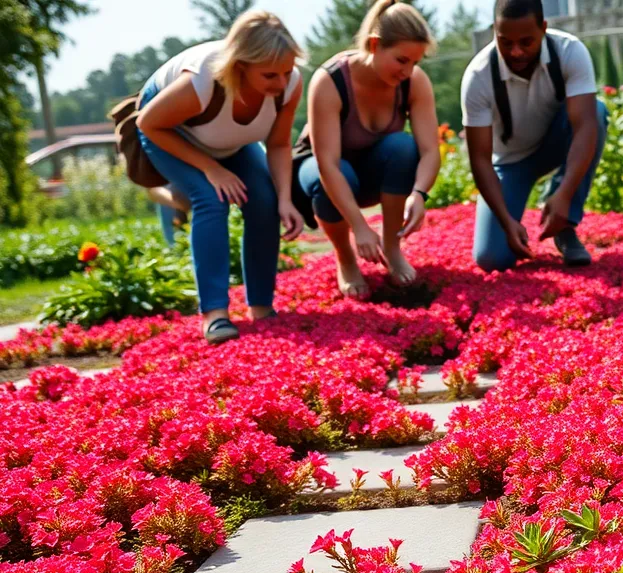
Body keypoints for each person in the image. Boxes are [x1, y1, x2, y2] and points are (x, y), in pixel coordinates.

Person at [136, 11, 305, 344]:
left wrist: (285, 199)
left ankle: (261, 308)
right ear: (240, 66)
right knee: (211, 199)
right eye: (270, 75)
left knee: (265, 201)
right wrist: (211, 169)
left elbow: (279, 143)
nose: (281, 83)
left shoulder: (289, 85)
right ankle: (215, 316)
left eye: (286, 72)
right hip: (170, 135)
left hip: (231, 143)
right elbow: (148, 124)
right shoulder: (201, 81)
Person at [297, 0, 440, 299]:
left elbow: (429, 151)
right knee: (338, 175)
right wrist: (359, 227)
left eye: (415, 62)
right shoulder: (330, 80)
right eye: (401, 60)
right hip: (327, 173)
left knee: (403, 145)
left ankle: (392, 249)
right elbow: (328, 165)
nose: (408, 70)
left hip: (375, 172)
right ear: (374, 44)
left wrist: (419, 194)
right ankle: (345, 259)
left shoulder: (413, 82)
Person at [461, 0, 607, 272]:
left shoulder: (569, 51)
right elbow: (480, 160)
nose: (516, 52)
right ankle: (512, 229)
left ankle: (565, 227)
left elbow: (586, 126)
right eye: (506, 42)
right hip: (510, 162)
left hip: (556, 143)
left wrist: (565, 194)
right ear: (495, 30)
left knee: (597, 113)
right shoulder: (478, 76)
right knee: (492, 258)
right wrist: (506, 221)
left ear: (543, 28)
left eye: (526, 42)